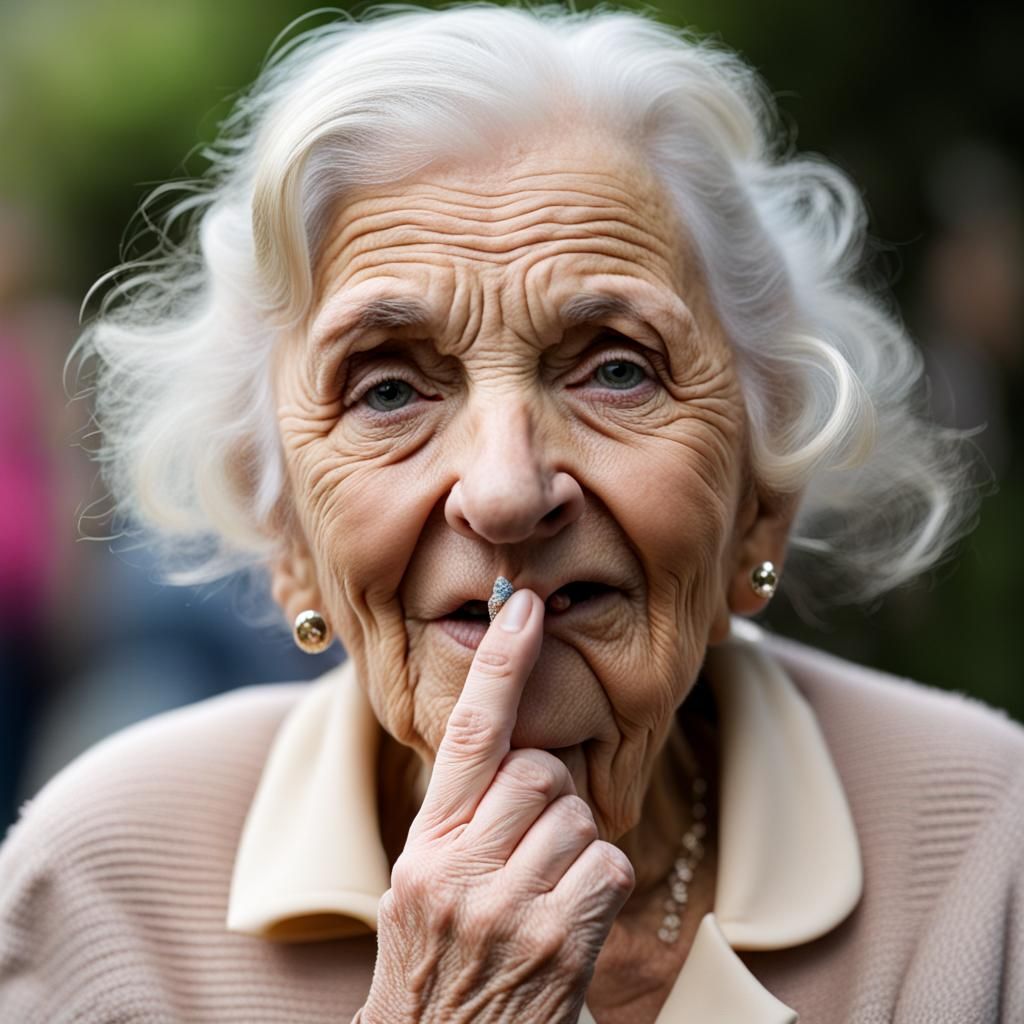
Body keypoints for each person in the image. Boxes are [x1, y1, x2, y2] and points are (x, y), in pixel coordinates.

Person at [2, 6, 1021, 1022]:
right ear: (287, 537)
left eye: (617, 370)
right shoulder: (101, 886)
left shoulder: (987, 843)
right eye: (388, 390)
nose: (503, 491)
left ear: (761, 502)